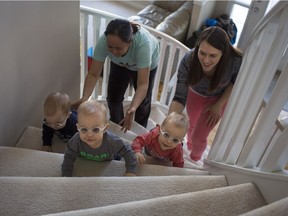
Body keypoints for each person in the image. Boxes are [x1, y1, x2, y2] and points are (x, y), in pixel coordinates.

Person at [168, 26, 243, 162]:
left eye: (213, 55)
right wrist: (170, 122)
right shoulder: (189, 60)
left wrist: (219, 105)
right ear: (197, 47)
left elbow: (235, 82)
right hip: (195, 95)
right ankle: (190, 148)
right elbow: (179, 97)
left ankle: (195, 159)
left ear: (223, 53)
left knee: (199, 136)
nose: (206, 60)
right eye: (202, 53)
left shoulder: (235, 61)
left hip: (218, 99)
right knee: (190, 126)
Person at [73, 18, 160, 132]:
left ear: (130, 42)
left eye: (118, 48)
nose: (113, 52)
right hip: (120, 63)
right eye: (110, 47)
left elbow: (143, 85)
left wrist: (132, 108)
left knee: (142, 103)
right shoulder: (103, 42)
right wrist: (85, 97)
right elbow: (93, 74)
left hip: (146, 63)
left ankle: (141, 131)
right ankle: (117, 126)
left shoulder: (143, 44)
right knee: (113, 99)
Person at [61, 99, 137, 177]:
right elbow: (68, 157)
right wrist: (66, 176)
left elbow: (127, 150)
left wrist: (131, 170)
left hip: (111, 158)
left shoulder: (112, 141)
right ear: (78, 127)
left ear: (105, 129)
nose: (89, 135)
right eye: (84, 129)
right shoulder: (76, 141)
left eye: (95, 129)